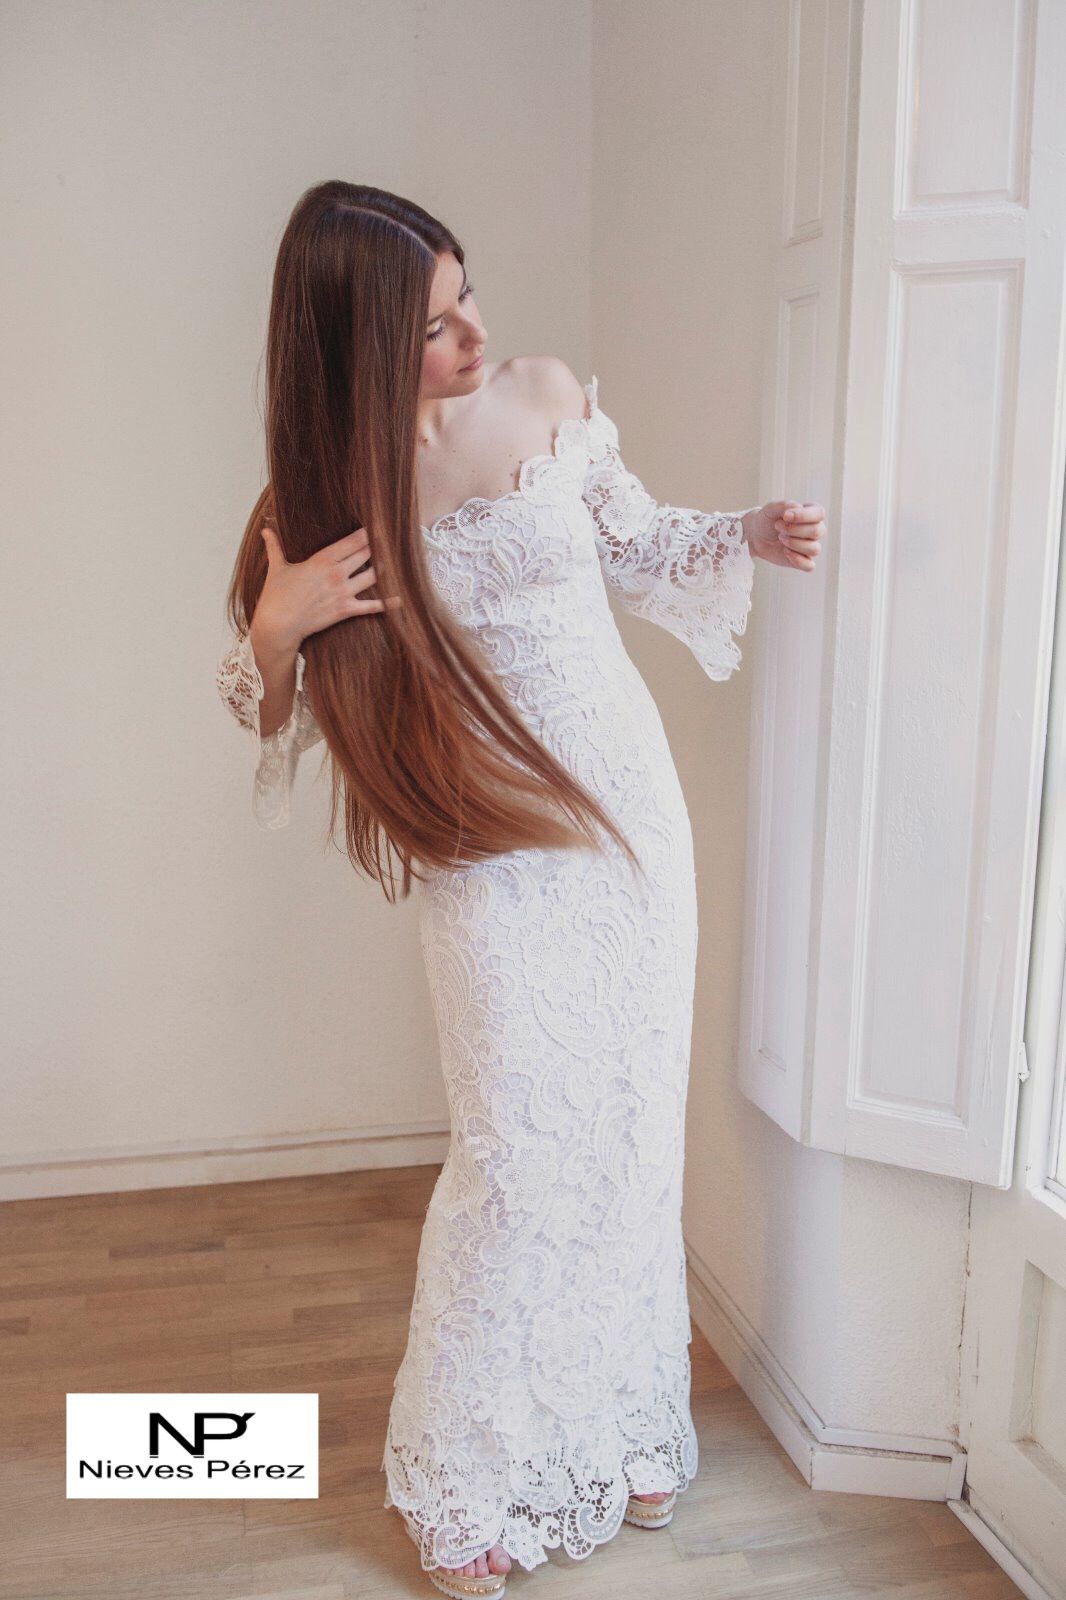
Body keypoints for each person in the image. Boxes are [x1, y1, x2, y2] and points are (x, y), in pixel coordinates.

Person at [215, 182, 825, 1600]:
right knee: (517, 1151)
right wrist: (277, 626)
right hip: (484, 846)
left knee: (629, 1129)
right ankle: (464, 1469)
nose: (473, 336)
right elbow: (261, 717)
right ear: (354, 344)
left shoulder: (547, 395)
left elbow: (636, 542)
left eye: (466, 295)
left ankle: (624, 1423)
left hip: (625, 823)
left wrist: (744, 531)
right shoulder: (320, 506)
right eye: (430, 327)